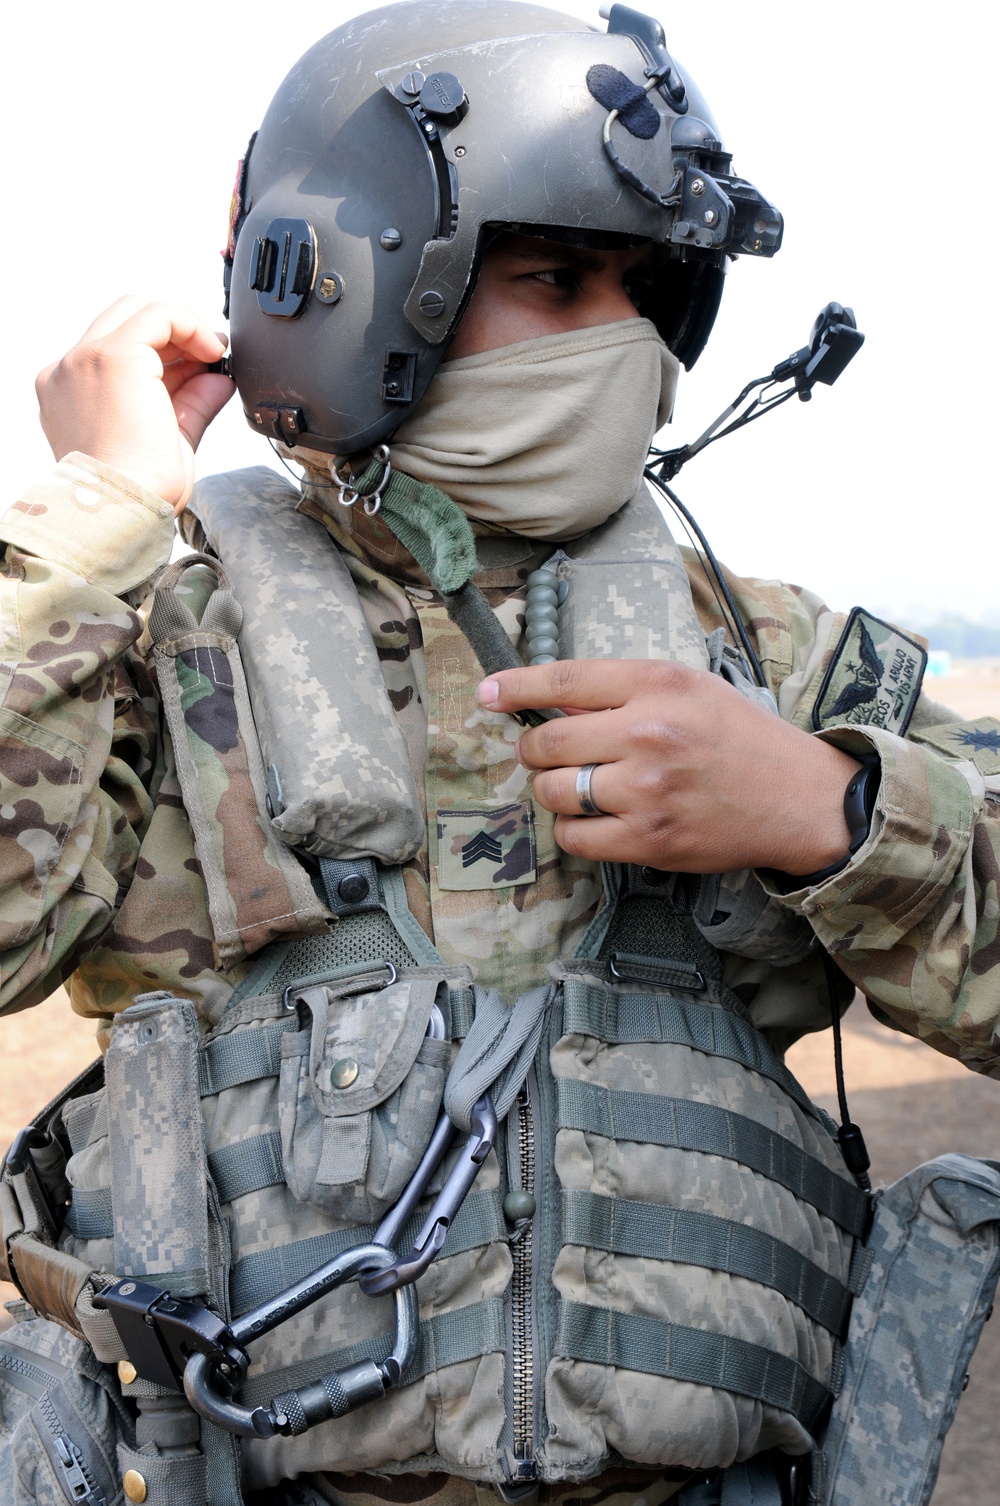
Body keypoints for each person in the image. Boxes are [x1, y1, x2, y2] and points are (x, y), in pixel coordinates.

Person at [2, 4, 999, 1505]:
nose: (619, 337)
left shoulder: (771, 662)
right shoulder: (147, 654)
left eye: (645, 289)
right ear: (348, 284)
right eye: (553, 276)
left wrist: (828, 809)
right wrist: (102, 514)